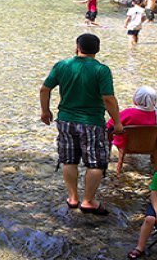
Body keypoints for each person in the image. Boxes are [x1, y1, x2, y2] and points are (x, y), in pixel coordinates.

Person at [39, 33, 123, 214]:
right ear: (97, 49)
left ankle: (73, 197)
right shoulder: (101, 70)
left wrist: (45, 111)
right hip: (92, 122)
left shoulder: (62, 65)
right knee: (95, 163)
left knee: (69, 160)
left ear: (77, 47)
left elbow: (45, 89)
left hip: (66, 120)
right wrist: (117, 122)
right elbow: (108, 99)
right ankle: (88, 201)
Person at [107, 86, 157, 152]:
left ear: (136, 99)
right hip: (152, 146)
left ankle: (107, 153)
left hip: (127, 146)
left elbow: (109, 125)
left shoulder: (128, 113)